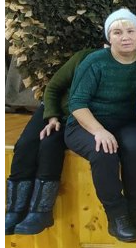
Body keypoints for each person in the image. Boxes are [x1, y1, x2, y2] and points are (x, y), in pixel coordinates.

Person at [64, 9, 136, 242]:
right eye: (117, 32)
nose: (124, 36)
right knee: (103, 151)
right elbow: (77, 103)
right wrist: (99, 131)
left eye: (130, 31)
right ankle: (117, 217)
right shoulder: (95, 62)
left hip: (126, 123)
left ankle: (134, 211)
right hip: (86, 124)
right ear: (109, 37)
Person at [6, 48, 95, 235]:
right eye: (116, 33)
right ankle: (14, 208)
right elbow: (53, 87)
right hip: (53, 108)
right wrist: (52, 117)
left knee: (49, 144)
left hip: (75, 117)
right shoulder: (83, 56)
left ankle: (41, 211)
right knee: (26, 144)